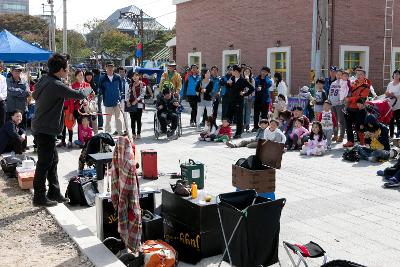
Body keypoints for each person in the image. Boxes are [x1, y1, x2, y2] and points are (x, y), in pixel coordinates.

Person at [32, 53, 91, 207]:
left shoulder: (45, 80)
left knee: (53, 160)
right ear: (60, 70)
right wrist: (87, 87)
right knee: (44, 163)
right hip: (45, 129)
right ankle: (39, 196)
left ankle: (54, 192)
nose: (69, 71)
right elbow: (78, 94)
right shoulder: (56, 85)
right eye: (67, 68)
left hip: (42, 127)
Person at [343, 67, 370, 147]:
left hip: (359, 108)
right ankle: (350, 141)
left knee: (360, 126)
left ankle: (361, 142)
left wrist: (350, 99)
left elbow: (361, 97)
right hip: (350, 107)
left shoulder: (366, 86)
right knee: (348, 126)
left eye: (361, 74)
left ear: (364, 76)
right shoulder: (353, 83)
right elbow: (348, 92)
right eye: (357, 74)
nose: (358, 76)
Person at [226, 65, 255, 139]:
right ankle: (226, 131)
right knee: (228, 116)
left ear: (236, 71)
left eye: (232, 70)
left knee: (239, 117)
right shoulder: (232, 78)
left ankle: (238, 133)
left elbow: (252, 88)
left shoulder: (243, 80)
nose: (231, 71)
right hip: (231, 100)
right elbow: (229, 87)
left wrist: (244, 94)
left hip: (239, 101)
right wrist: (228, 84)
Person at [99, 62, 123, 136]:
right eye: (108, 67)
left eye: (111, 67)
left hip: (117, 101)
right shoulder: (102, 78)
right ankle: (107, 133)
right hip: (107, 101)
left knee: (118, 118)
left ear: (114, 68)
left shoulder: (118, 77)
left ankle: (120, 132)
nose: (110, 68)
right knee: (108, 119)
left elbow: (121, 88)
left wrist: (121, 98)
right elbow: (100, 89)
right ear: (105, 68)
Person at [6, 65, 30, 130]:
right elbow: (10, 91)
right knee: (10, 131)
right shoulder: (7, 81)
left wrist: (16, 92)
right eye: (16, 71)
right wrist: (21, 91)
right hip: (11, 110)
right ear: (11, 72)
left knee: (23, 130)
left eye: (19, 71)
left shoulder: (24, 81)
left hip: (22, 109)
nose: (18, 72)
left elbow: (27, 93)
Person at [328, 69, 347, 143]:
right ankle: (335, 135)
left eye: (340, 74)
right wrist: (329, 101)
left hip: (340, 104)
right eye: (337, 74)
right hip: (333, 104)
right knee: (334, 121)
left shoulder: (344, 83)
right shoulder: (333, 83)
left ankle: (341, 136)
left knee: (341, 121)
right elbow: (330, 93)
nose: (338, 76)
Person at [126, 72, 146, 139]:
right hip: (132, 103)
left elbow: (143, 94)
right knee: (132, 119)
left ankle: (139, 133)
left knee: (138, 119)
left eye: (136, 76)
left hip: (139, 103)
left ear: (139, 76)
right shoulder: (131, 85)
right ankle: (133, 133)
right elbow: (128, 93)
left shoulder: (143, 84)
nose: (135, 77)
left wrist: (136, 100)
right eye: (133, 76)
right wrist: (128, 100)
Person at [253, 67, 272, 132]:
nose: (263, 73)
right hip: (257, 99)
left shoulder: (268, 80)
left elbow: (269, 84)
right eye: (263, 71)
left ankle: (264, 127)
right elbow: (253, 87)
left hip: (265, 99)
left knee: (264, 114)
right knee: (256, 114)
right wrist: (256, 89)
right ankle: (255, 126)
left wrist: (265, 80)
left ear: (267, 73)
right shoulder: (256, 79)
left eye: (265, 72)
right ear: (261, 71)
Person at [386, 69, 400, 138]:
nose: (396, 75)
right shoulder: (390, 84)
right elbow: (386, 93)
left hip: (398, 106)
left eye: (398, 74)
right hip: (390, 106)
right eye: (395, 74)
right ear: (393, 75)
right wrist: (389, 94)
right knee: (390, 122)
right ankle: (391, 136)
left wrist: (393, 95)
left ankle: (398, 137)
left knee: (398, 122)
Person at [242, 66, 255, 132]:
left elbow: (253, 89)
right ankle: (242, 126)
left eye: (248, 72)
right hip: (242, 98)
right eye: (245, 71)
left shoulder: (252, 80)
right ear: (243, 72)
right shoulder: (241, 79)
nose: (247, 73)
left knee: (248, 112)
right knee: (242, 112)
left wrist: (252, 96)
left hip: (249, 98)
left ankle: (247, 125)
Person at [118, 66, 130, 135]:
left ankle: (126, 130)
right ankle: (118, 129)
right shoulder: (116, 80)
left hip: (125, 100)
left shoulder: (128, 80)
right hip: (118, 100)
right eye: (120, 72)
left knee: (125, 115)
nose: (121, 73)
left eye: (123, 72)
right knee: (118, 116)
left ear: (125, 73)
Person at [0, 61, 6, 128]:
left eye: (1, 66)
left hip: (1, 103)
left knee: (1, 125)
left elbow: (4, 93)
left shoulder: (3, 78)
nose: (1, 68)